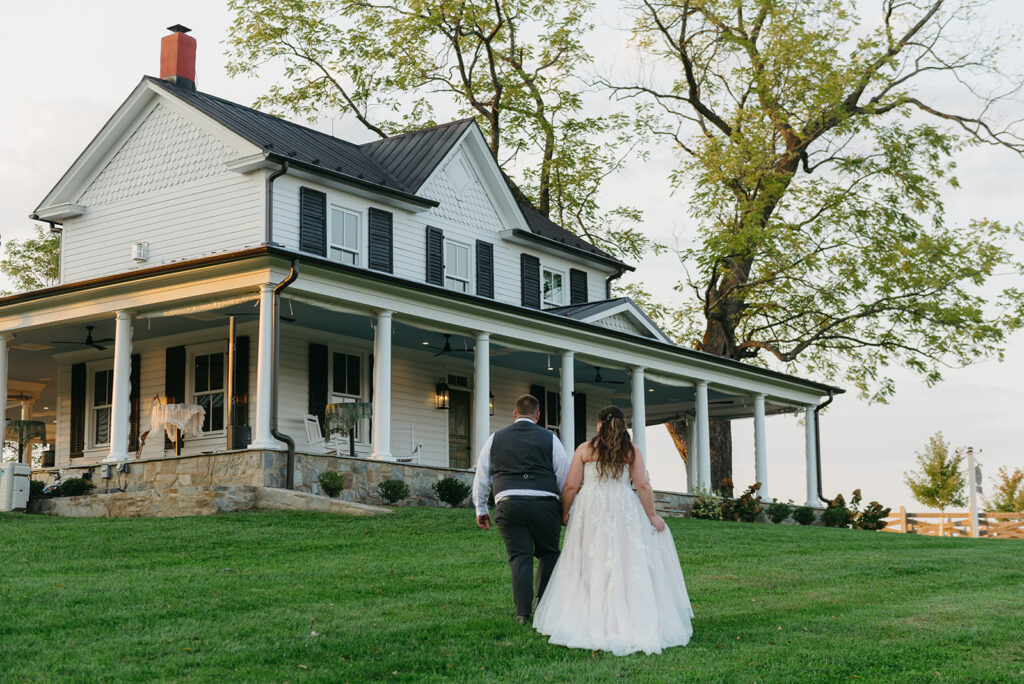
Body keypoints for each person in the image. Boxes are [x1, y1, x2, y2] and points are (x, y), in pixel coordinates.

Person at [532, 405, 694, 655]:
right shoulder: (631, 451)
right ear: (622, 425)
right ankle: (624, 615)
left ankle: (589, 615)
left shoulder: (585, 449)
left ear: (599, 424)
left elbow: (571, 486)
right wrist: (651, 515)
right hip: (622, 508)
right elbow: (642, 485)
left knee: (589, 560)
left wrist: (565, 512)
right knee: (624, 560)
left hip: (590, 510)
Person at [472, 394, 570, 624]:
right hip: (545, 505)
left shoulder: (495, 439)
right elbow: (564, 476)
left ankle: (522, 614)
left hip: (509, 503)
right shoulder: (551, 439)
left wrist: (480, 508)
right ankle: (543, 607)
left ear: (514, 414)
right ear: (538, 416)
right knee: (549, 553)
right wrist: (567, 510)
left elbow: (482, 476)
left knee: (519, 558)